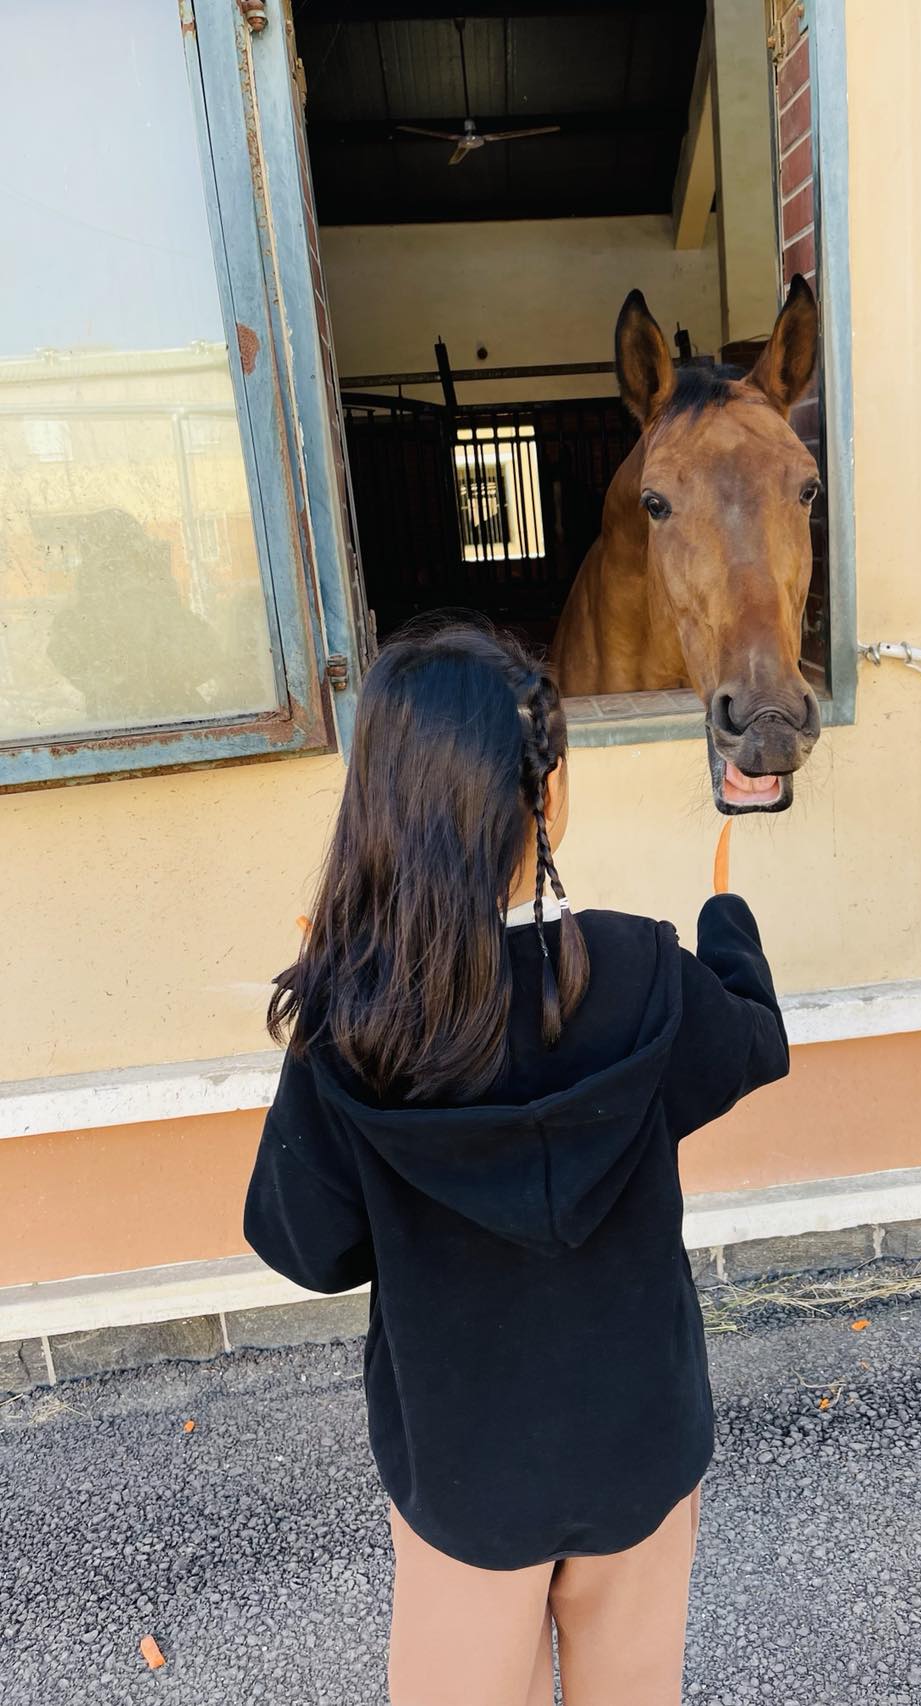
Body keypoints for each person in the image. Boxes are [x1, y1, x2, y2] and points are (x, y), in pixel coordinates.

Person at [243, 620, 789, 1706]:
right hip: (639, 1444)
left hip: (464, 1473)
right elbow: (753, 1038)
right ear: (544, 796)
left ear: (382, 804)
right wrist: (726, 921)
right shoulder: (643, 972)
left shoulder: (354, 1024)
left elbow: (308, 1245)